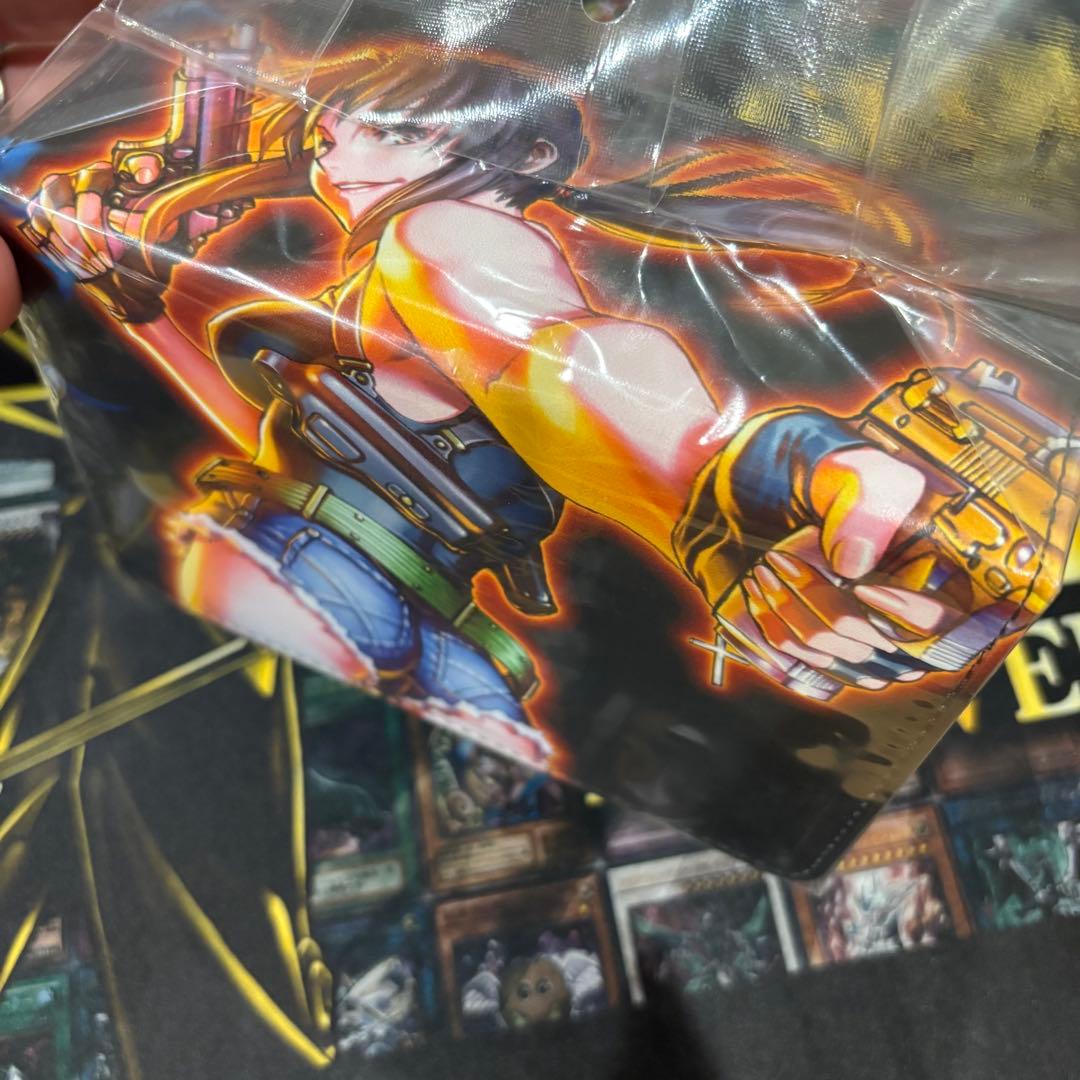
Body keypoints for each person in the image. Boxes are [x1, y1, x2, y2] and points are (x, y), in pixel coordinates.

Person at [17, 42, 997, 745]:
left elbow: (565, 357)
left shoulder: (438, 235)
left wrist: (757, 478)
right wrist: (140, 311)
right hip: (338, 583)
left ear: (527, 157)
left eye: (392, 130)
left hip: (376, 603)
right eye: (330, 134)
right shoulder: (382, 289)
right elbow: (288, 447)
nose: (335, 158)